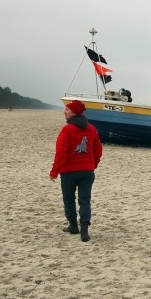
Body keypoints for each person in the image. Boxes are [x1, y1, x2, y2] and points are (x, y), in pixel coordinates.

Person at [49, 100, 103, 242]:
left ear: (74, 112)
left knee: (69, 199)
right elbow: (98, 150)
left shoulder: (67, 130)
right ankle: (84, 231)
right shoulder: (91, 128)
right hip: (87, 171)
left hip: (69, 172)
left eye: (67, 109)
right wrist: (93, 164)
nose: (64, 112)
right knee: (85, 200)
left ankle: (73, 226)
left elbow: (61, 153)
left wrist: (54, 171)